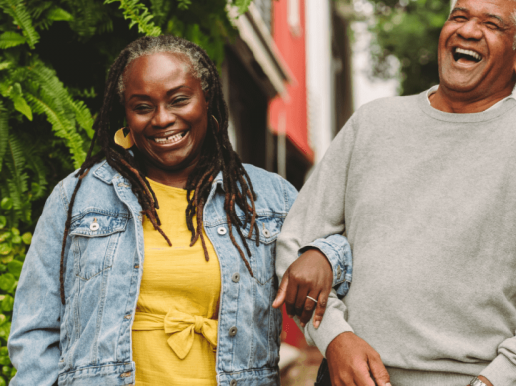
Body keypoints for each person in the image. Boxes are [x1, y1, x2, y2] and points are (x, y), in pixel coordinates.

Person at [276, 0, 516, 386]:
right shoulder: (372, 124)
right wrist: (335, 339)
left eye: (491, 24)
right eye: (459, 16)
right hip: (348, 375)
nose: (468, 30)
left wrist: (497, 381)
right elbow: (296, 242)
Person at [8, 36, 352, 386]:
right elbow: (36, 329)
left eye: (179, 100)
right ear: (124, 115)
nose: (162, 119)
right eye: (143, 106)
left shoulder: (267, 198)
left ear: (207, 102)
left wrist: (322, 254)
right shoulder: (79, 196)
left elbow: (346, 258)